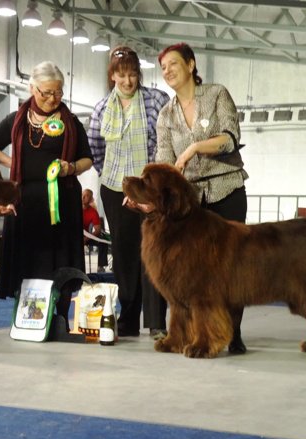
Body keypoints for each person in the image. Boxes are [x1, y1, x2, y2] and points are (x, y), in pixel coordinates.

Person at [154, 42, 250, 353]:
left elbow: (230, 139)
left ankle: (232, 334)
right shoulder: (165, 116)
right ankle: (196, 334)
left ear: (191, 65)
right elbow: (165, 163)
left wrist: (195, 147)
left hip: (226, 190)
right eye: (163, 67)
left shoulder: (216, 94)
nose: (167, 70)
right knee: (191, 274)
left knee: (231, 268)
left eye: (173, 64)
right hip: (191, 203)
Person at [0, 61, 93, 324]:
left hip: (61, 203)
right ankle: (28, 317)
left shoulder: (71, 122)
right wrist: (14, 162)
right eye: (47, 93)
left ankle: (62, 316)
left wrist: (71, 167)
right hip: (25, 203)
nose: (53, 98)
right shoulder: (18, 119)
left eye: (59, 92)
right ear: (32, 89)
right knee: (28, 260)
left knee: (61, 261)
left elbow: (87, 159)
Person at [87, 46, 170, 338]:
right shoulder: (101, 108)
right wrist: (115, 180)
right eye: (122, 75)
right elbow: (95, 148)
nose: (128, 81)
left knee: (154, 251)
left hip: (148, 189)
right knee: (124, 254)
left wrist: (147, 186)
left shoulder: (156, 100)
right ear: (112, 76)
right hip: (114, 188)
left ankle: (157, 322)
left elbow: (164, 142)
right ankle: (128, 317)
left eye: (133, 74)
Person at [81, 188, 108, 273]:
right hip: (75, 236)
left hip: (87, 237)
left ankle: (101, 267)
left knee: (103, 242)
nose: (83, 197)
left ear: (91, 199)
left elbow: (98, 230)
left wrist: (86, 239)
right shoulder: (74, 208)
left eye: (87, 196)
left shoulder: (93, 212)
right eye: (82, 195)